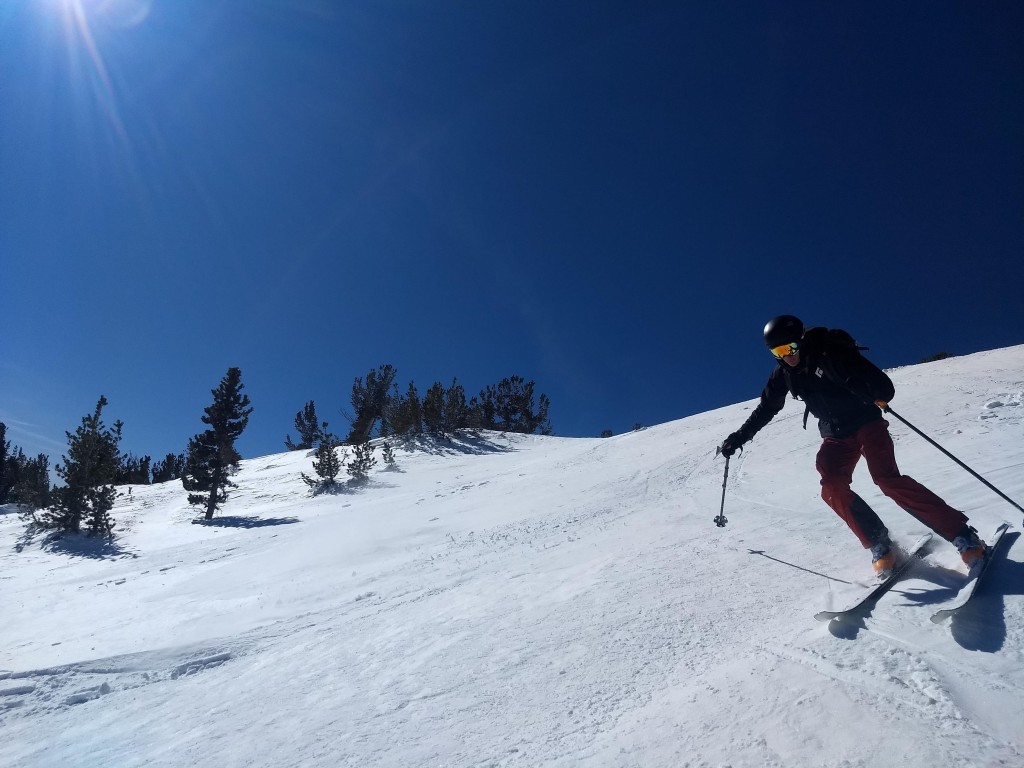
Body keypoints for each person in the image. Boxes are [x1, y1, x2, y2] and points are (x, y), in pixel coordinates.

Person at [719, 314, 986, 578]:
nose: (787, 355)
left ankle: (963, 536)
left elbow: (885, 388)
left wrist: (862, 386)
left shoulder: (831, 352)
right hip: (835, 433)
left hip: (866, 421)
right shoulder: (784, 374)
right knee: (832, 486)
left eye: (791, 347)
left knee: (886, 479)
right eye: (778, 351)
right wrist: (738, 438)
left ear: (801, 340)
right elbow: (767, 407)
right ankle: (880, 543)